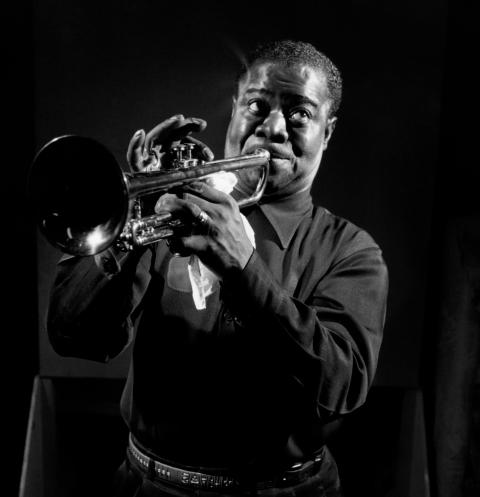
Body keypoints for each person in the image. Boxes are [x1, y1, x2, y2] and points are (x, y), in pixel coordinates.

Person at [46, 40, 388, 496]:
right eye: (257, 105)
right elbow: (72, 334)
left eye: (300, 113)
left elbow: (342, 387)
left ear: (327, 132)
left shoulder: (351, 251)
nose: (272, 128)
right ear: (234, 110)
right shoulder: (169, 213)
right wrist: (133, 213)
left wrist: (243, 270)